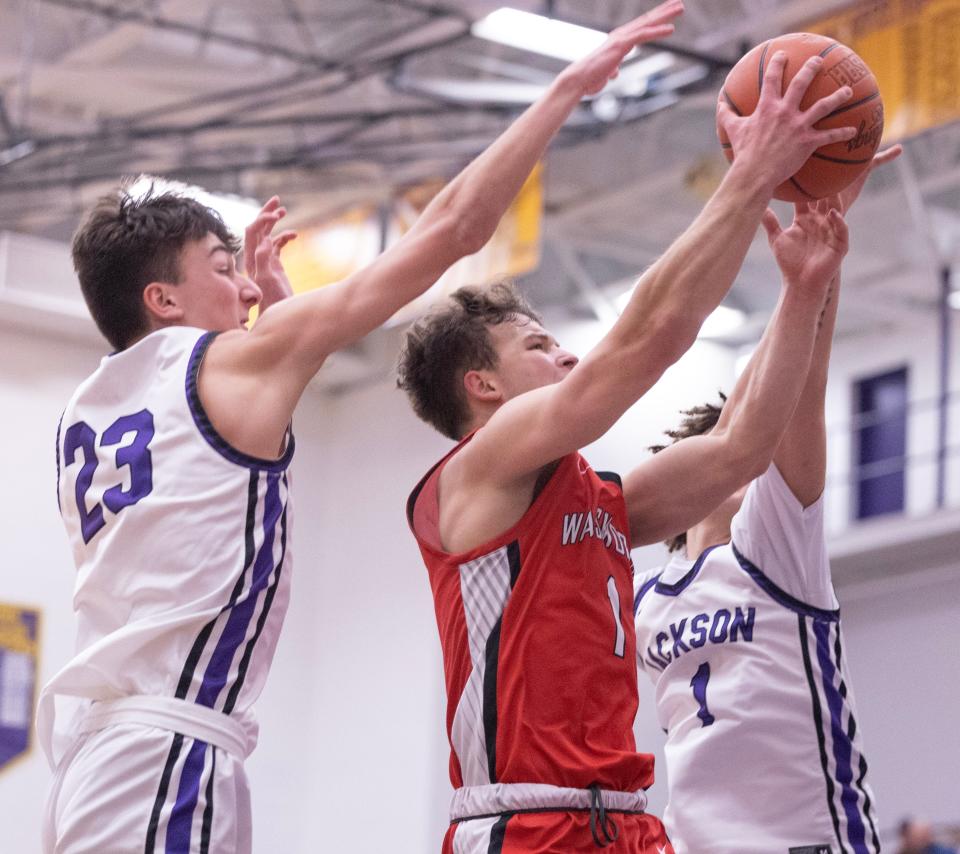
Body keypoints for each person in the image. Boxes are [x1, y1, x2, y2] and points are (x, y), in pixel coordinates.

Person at [36, 4, 688, 851]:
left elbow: (206, 477)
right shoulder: (233, 363)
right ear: (162, 300)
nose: (243, 291)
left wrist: (284, 315)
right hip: (166, 749)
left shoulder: (88, 409)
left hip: (100, 753)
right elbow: (454, 229)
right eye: (225, 270)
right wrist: (564, 90)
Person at [398, 43, 862, 852]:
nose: (568, 355)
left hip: (630, 824)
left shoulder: (598, 501)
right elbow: (647, 340)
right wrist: (751, 172)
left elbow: (743, 447)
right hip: (527, 820)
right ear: (483, 387)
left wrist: (806, 286)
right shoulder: (476, 471)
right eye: (539, 344)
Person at [631, 148, 901, 854]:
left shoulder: (774, 549)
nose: (767, 461)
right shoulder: (640, 600)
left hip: (806, 839)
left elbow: (802, 392)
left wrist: (818, 270)